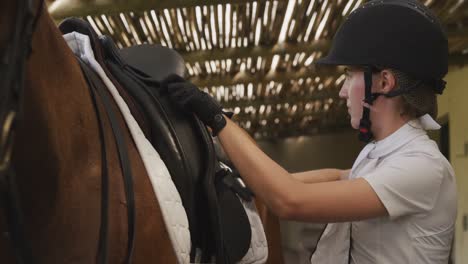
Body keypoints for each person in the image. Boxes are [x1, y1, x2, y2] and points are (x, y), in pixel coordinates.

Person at [161, 0, 457, 263]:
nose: (342, 92)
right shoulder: (381, 153)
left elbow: (290, 201)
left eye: (349, 76)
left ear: (383, 82)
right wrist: (250, 184)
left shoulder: (421, 166)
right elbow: (341, 175)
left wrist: (217, 119)